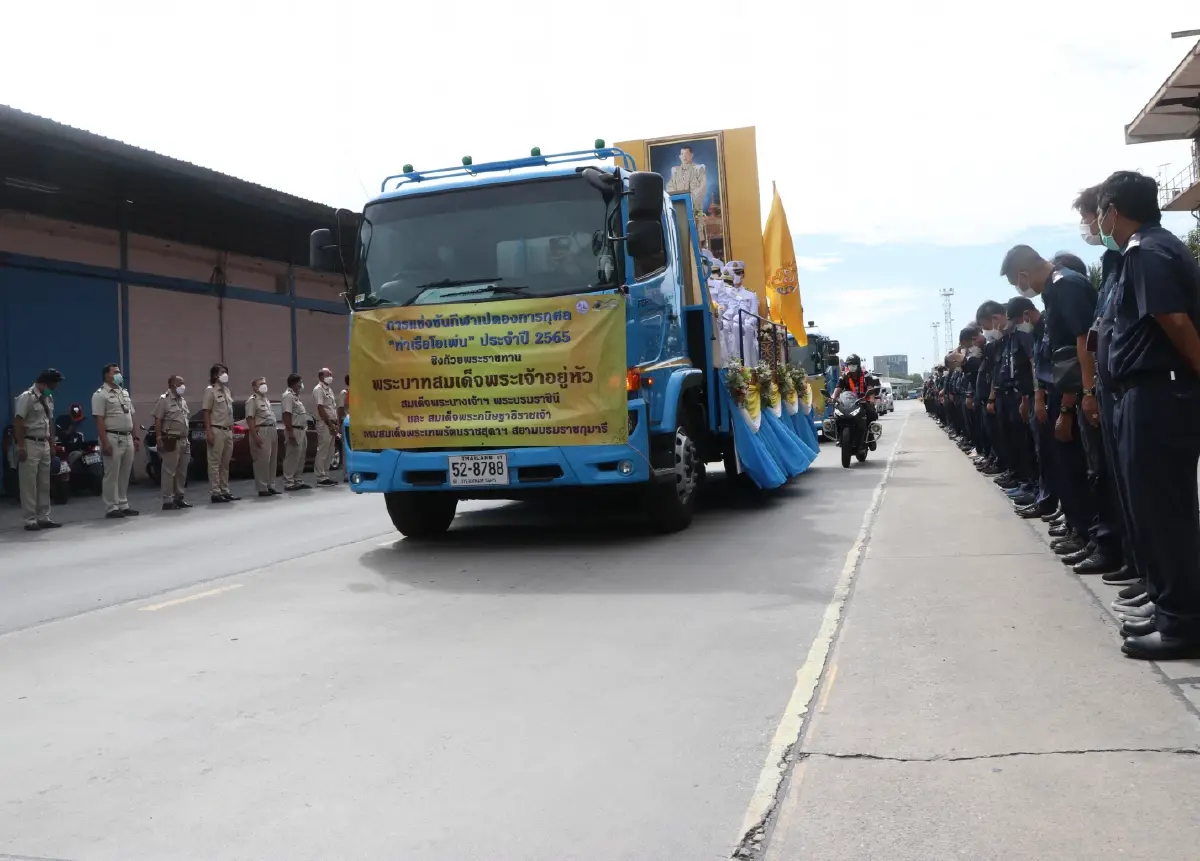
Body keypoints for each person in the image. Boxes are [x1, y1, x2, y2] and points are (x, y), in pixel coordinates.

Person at [1096, 171, 1200, 660]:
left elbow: (1173, 319)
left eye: (1100, 211)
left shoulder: (1147, 251)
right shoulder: (1145, 248)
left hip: (1161, 394)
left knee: (1166, 511)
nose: (1098, 221)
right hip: (1147, 395)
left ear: (1113, 210)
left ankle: (1183, 623)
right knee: (1154, 510)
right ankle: (1167, 607)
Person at [1000, 245, 1098, 561]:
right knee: (1064, 466)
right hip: (1064, 393)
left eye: (1017, 281)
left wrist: (1078, 399)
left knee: (1079, 468)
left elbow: (1081, 346)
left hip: (1073, 394)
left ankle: (1089, 533)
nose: (1021, 288)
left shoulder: (1065, 285)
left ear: (1024, 275)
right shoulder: (1053, 292)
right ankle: (1080, 530)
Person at [14, 368, 63, 531]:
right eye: (54, 383)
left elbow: (49, 421)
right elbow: (19, 422)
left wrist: (52, 443)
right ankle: (30, 519)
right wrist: (20, 446)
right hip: (30, 443)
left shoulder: (48, 397)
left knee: (44, 482)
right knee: (29, 483)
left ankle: (44, 516)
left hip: (44, 443)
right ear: (45, 382)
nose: (56, 386)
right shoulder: (26, 397)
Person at [92, 363, 140, 519]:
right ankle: (111, 507)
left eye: (119, 372)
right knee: (112, 473)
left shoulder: (123, 392)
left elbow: (131, 415)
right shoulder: (100, 394)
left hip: (127, 437)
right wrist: (105, 442)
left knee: (124, 473)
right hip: (112, 437)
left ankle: (123, 503)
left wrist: (136, 436)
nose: (119, 374)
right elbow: (98, 419)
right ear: (106, 375)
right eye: (115, 372)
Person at [151, 375, 192, 511]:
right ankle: (167, 500)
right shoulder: (164, 400)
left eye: (183, 383)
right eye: (180, 383)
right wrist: (158, 438)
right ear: (172, 385)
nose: (182, 386)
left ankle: (179, 497)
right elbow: (158, 419)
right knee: (169, 471)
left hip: (184, 440)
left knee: (182, 471)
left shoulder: (182, 401)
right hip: (171, 440)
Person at [202, 363, 238, 504]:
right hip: (216, 429)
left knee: (225, 463)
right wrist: (209, 431)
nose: (225, 374)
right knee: (215, 463)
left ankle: (225, 490)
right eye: (222, 372)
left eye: (226, 372)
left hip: (228, 430)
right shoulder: (210, 391)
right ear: (215, 375)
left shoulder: (227, 391)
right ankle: (215, 492)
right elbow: (206, 411)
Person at [246, 376, 280, 497]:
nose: (264, 385)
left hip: (271, 429)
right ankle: (262, 486)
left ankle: (271, 485)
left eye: (264, 383)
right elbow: (250, 419)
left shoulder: (265, 399)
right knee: (262, 460)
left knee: (272, 460)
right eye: (260, 384)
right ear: (254, 387)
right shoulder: (253, 400)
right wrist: (255, 436)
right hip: (262, 430)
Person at [281, 373, 312, 492]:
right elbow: (286, 415)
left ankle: (298, 480)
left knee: (300, 457)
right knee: (292, 456)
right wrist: (290, 432)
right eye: (300, 382)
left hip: (301, 429)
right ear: (294, 383)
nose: (301, 384)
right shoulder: (288, 396)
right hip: (294, 429)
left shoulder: (296, 397)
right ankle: (289, 482)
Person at [831, 354, 879, 425]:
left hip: (863, 402)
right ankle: (836, 434)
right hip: (848, 404)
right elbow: (838, 389)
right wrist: (833, 398)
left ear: (858, 365)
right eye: (849, 365)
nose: (851, 366)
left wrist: (871, 399)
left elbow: (870, 389)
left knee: (872, 414)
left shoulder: (866, 375)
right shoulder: (844, 376)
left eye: (854, 364)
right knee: (834, 416)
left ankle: (870, 434)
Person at [312, 367, 340, 487]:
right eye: (328, 375)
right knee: (323, 450)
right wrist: (329, 424)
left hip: (332, 423)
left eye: (331, 374)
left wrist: (336, 423)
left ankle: (326, 475)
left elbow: (333, 408)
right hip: (324, 423)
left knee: (330, 450)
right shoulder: (318, 390)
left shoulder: (329, 390)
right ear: (321, 377)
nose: (330, 377)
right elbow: (320, 408)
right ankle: (320, 477)